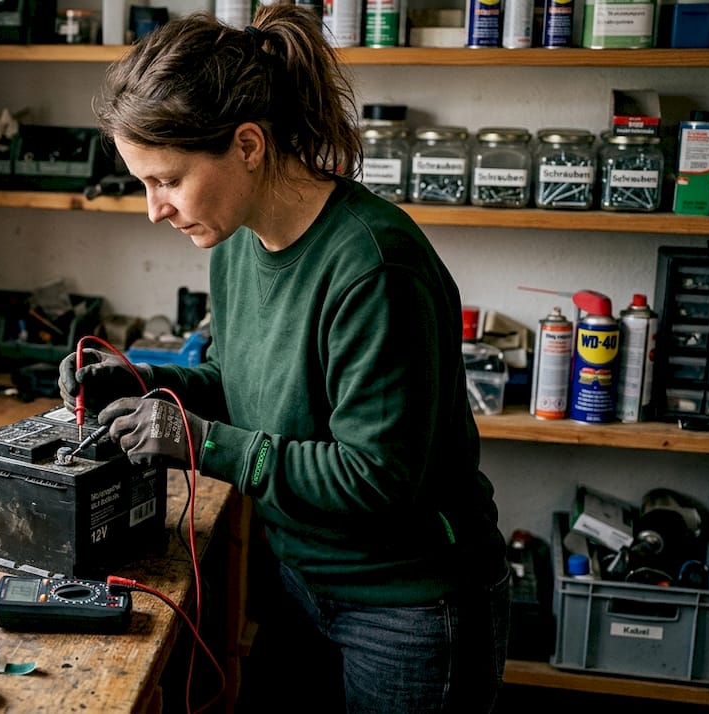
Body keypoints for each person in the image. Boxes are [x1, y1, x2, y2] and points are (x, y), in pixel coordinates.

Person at [58, 5, 511, 713]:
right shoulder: (235, 239)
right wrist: (151, 383)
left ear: (247, 145)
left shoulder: (373, 267)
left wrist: (201, 443)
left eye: (168, 180)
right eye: (144, 183)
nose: (155, 209)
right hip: (301, 579)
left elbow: (374, 477)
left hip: (409, 607)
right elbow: (251, 384)